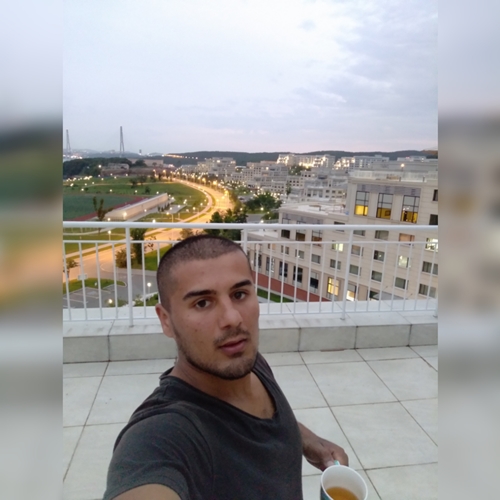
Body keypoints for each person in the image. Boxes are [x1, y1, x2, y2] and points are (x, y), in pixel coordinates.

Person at [104, 235, 348, 500]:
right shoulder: (161, 436)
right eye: (202, 303)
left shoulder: (248, 363)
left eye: (239, 294)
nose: (233, 318)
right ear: (166, 320)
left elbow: (250, 425)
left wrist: (304, 439)